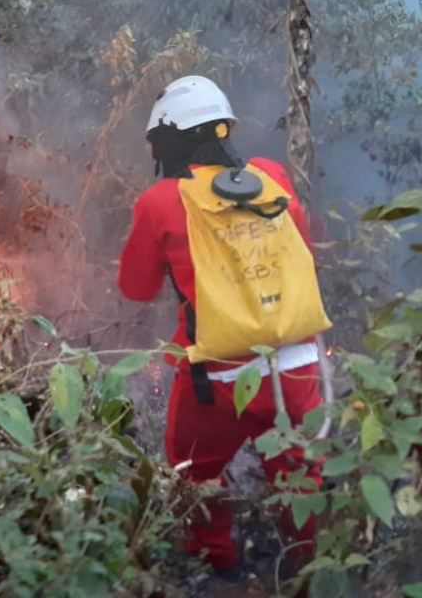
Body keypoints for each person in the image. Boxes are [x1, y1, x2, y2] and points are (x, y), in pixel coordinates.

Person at [117, 75, 325, 579]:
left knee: (195, 475)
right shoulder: (272, 175)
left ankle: (216, 568)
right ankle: (306, 577)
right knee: (301, 485)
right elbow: (301, 246)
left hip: (216, 382)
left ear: (169, 140)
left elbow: (136, 289)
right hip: (297, 370)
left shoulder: (162, 201)